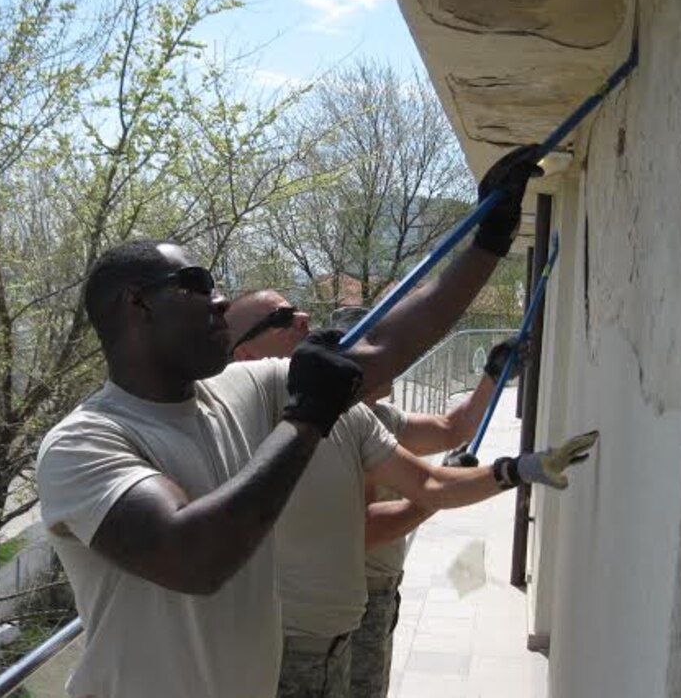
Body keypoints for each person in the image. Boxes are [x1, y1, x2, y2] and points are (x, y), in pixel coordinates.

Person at [34, 150, 544, 698]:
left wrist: (489, 238)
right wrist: (306, 419)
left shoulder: (241, 389)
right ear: (137, 305)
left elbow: (382, 346)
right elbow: (194, 559)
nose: (220, 301)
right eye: (196, 284)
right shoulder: (83, 444)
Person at [226, 295, 595, 698]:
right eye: (281, 318)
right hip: (290, 647)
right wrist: (432, 501)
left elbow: (446, 442)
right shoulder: (247, 429)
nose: (385, 356)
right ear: (244, 353)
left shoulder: (360, 416)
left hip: (344, 627)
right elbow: (365, 528)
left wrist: (516, 459)